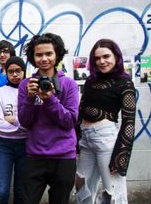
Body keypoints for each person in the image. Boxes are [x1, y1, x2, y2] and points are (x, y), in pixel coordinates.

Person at [18, 33, 79, 204]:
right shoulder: (26, 85)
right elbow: (25, 122)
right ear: (32, 57)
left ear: (57, 55)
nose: (44, 59)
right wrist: (30, 98)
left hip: (63, 156)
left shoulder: (69, 84)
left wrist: (50, 99)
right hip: (35, 155)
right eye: (39, 54)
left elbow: (69, 121)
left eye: (49, 54)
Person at [75, 39, 136, 204]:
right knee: (81, 184)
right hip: (86, 140)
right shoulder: (90, 81)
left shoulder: (125, 83)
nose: (102, 61)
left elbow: (129, 122)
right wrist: (76, 139)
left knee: (112, 193)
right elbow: (81, 111)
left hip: (106, 140)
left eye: (106, 56)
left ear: (116, 56)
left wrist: (121, 155)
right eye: (97, 58)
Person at [0, 56, 27, 204]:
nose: (14, 74)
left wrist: (14, 120)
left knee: (20, 189)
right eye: (10, 71)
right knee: (2, 190)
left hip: (25, 145)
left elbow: (34, 122)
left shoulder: (30, 91)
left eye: (18, 71)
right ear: (6, 73)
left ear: (24, 72)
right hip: (3, 145)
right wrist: (22, 124)